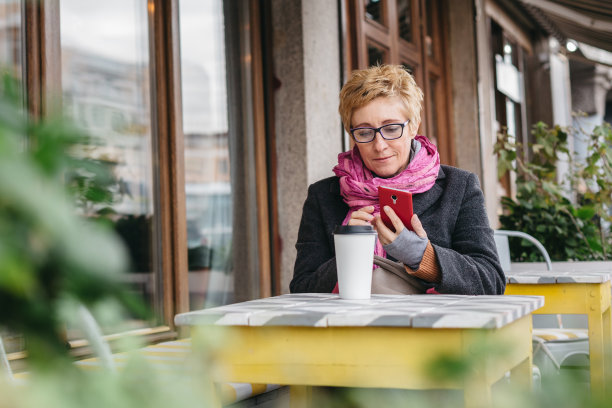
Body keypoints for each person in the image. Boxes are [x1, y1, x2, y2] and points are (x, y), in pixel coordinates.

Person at [290, 64, 504, 295]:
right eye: (364, 132)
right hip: (350, 328)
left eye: (391, 129)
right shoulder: (323, 196)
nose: (379, 145)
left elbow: (490, 281)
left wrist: (422, 255)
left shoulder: (459, 187)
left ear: (413, 126)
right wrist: (347, 251)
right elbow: (302, 289)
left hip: (431, 328)